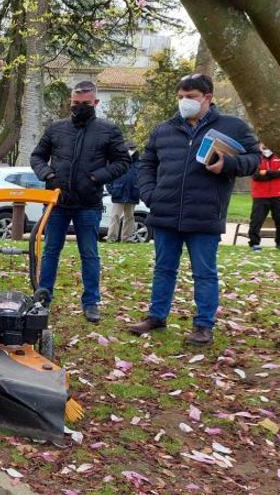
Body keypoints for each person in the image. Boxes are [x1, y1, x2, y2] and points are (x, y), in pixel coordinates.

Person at [129, 73, 259, 345]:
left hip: (205, 215)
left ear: (207, 98)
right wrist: (150, 194)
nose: (184, 102)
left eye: (190, 97)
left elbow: (254, 159)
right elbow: (146, 164)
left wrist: (229, 165)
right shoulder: (163, 129)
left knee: (204, 272)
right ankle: (156, 316)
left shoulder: (232, 127)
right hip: (165, 214)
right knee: (164, 269)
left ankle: (203, 325)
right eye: (180, 97)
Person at [30, 81, 130, 323]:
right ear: (70, 102)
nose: (80, 107)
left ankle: (91, 302)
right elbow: (37, 157)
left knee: (89, 254)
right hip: (57, 202)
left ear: (95, 103)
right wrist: (49, 175)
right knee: (51, 251)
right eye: (76, 103)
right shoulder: (56, 129)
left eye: (85, 104)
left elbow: (123, 162)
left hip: (88, 203)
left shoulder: (109, 130)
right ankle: (43, 297)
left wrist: (96, 177)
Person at [247, 142, 280, 250]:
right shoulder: (256, 158)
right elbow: (256, 176)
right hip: (260, 195)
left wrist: (265, 173)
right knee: (256, 220)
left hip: (277, 194)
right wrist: (274, 173)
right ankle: (254, 243)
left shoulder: (277, 157)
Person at [106, 143, 141, 242]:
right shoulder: (118, 163)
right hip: (119, 192)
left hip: (132, 193)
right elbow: (109, 177)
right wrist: (112, 190)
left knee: (129, 217)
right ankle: (111, 238)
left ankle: (127, 238)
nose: (131, 150)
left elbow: (143, 179)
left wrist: (139, 190)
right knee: (115, 216)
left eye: (133, 148)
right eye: (130, 148)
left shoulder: (139, 164)